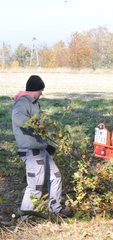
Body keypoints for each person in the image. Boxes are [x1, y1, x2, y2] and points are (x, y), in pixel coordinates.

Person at [11, 75, 72, 219]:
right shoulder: (22, 103)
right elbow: (18, 118)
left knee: (56, 177)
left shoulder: (35, 102)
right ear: (34, 90)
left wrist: (46, 144)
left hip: (41, 150)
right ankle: (24, 219)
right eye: (40, 90)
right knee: (35, 186)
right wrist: (35, 125)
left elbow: (39, 129)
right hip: (30, 151)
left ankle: (55, 210)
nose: (41, 93)